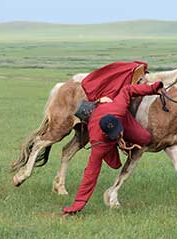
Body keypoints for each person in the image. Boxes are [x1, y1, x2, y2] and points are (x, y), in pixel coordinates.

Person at [63, 80, 164, 214]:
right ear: (107, 134)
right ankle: (116, 145)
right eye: (115, 135)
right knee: (115, 164)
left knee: (145, 138)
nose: (119, 135)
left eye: (119, 132)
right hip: (105, 139)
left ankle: (124, 138)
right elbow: (90, 174)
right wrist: (77, 205)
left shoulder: (118, 109)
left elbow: (128, 89)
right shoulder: (97, 142)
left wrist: (153, 88)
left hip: (122, 119)